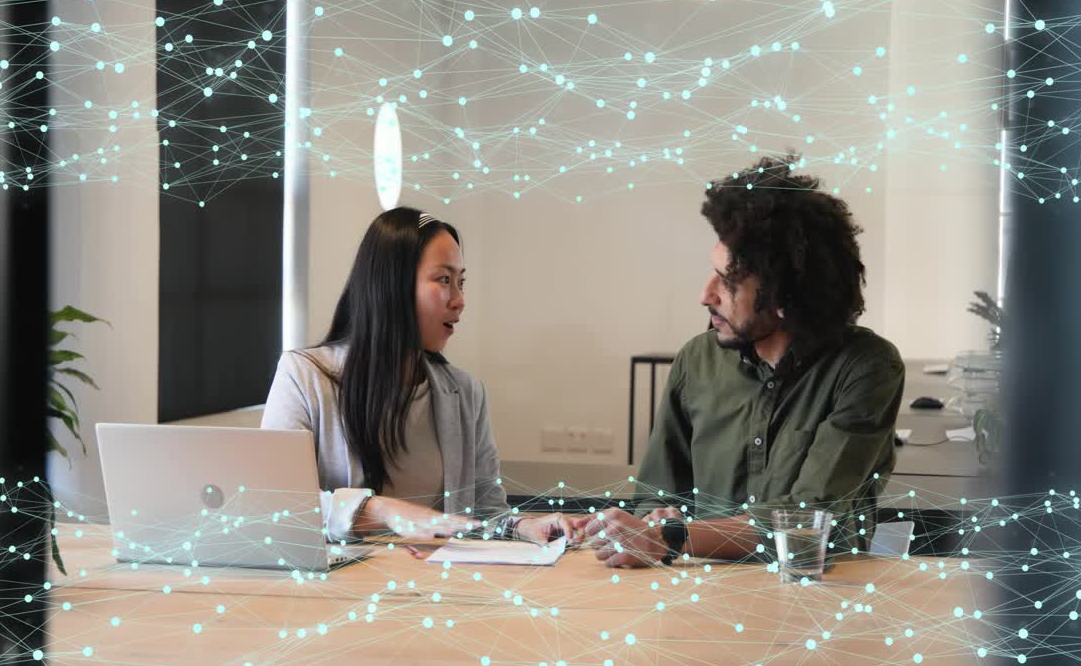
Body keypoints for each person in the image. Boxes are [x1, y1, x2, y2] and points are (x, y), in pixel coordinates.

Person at [581, 155, 905, 567]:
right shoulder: (696, 360)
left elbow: (807, 521)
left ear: (784, 295)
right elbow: (656, 493)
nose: (706, 294)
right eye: (712, 273)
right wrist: (658, 517)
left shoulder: (866, 367)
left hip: (813, 600)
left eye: (729, 281)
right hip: (700, 598)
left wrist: (672, 536)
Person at [262, 207, 572, 544]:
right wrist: (384, 511)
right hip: (339, 591)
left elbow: (484, 512)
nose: (459, 300)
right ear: (392, 284)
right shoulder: (304, 376)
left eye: (461, 282)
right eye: (444, 280)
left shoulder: (465, 392)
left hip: (439, 589)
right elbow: (276, 505)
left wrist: (521, 527)